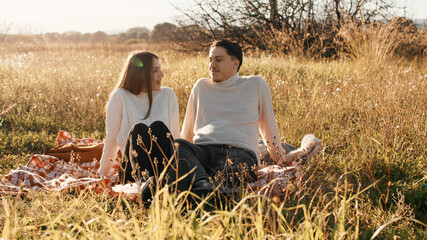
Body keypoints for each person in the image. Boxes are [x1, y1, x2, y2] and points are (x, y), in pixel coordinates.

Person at [175, 40, 296, 196]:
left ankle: (203, 189)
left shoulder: (255, 84)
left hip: (239, 152)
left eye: (218, 60)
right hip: (204, 150)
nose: (212, 65)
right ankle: (203, 186)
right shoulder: (201, 86)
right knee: (178, 145)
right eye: (210, 60)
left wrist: (279, 157)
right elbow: (187, 134)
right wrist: (185, 155)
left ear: (235, 63)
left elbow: (268, 127)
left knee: (231, 173)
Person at [97, 51, 181, 187]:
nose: (161, 74)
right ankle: (143, 184)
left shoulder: (168, 95)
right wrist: (102, 175)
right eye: (155, 70)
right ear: (140, 74)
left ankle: (163, 181)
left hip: (162, 168)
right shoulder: (120, 97)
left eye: (160, 69)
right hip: (132, 172)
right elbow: (111, 141)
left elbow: (176, 138)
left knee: (159, 127)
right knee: (139, 129)